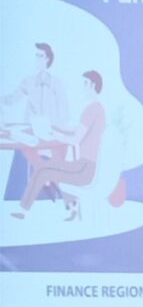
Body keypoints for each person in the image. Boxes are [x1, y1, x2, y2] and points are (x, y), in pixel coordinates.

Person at [14, 71, 105, 221]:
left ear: (93, 86)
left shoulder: (92, 109)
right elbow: (75, 130)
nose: (83, 87)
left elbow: (75, 139)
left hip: (84, 169)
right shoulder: (97, 108)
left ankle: (23, 210)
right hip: (84, 166)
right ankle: (71, 207)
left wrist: (56, 136)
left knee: (44, 171)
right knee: (45, 168)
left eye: (85, 83)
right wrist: (54, 127)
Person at [2, 43, 70, 204]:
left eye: (40, 56)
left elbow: (64, 110)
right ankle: (39, 184)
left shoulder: (56, 83)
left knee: (57, 152)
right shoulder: (28, 81)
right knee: (23, 149)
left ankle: (49, 184)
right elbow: (12, 99)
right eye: (36, 55)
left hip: (50, 132)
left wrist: (58, 129)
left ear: (48, 59)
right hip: (31, 130)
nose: (37, 59)